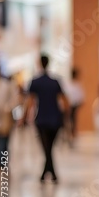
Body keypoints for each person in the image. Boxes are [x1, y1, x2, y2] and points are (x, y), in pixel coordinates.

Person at [24, 55, 69, 183]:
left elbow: (30, 101)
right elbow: (64, 101)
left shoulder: (35, 82)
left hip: (42, 118)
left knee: (47, 148)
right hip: (55, 118)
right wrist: (67, 117)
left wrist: (24, 117)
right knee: (49, 147)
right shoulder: (55, 82)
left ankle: (46, 173)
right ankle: (50, 173)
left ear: (39, 63)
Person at [0, 60, 18, 170]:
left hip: (4, 122)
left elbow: (15, 100)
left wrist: (7, 108)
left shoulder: (6, 85)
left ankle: (3, 170)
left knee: (2, 149)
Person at [64, 68, 85, 146]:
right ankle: (68, 136)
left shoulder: (77, 85)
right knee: (67, 123)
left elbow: (81, 98)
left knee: (73, 123)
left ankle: (72, 137)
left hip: (74, 106)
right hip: (68, 106)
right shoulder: (68, 84)